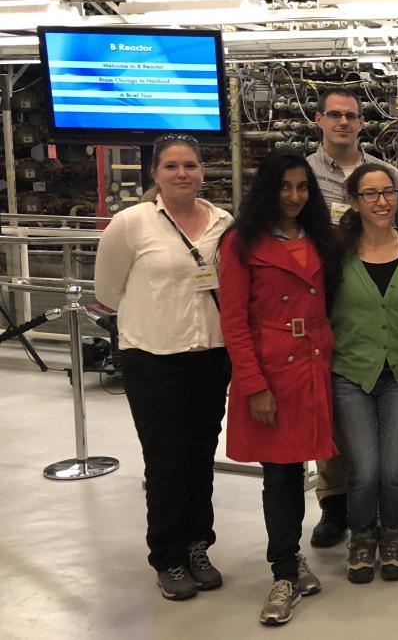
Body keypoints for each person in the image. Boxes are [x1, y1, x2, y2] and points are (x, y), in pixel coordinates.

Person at [94, 134, 233, 601]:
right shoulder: (131, 224)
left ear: (202, 171)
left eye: (190, 165)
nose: (182, 174)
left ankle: (198, 546)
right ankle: (168, 556)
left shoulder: (222, 222)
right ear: (155, 173)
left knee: (200, 456)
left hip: (211, 357)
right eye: (171, 166)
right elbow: (107, 294)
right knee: (167, 460)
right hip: (153, 359)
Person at [218, 149, 339, 624]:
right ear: (268, 188)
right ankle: (284, 570)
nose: (294, 196)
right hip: (271, 371)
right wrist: (254, 385)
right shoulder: (240, 242)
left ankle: (292, 558)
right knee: (280, 474)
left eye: (302, 187)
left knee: (302, 467)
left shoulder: (319, 236)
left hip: (313, 366)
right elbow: (234, 320)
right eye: (285, 187)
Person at [306, 87, 398, 549]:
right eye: (335, 115)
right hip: (333, 319)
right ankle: (337, 510)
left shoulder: (389, 175)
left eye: (351, 115)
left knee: (387, 464)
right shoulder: (305, 175)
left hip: (391, 336)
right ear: (319, 119)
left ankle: (386, 528)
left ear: (362, 123)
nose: (343, 123)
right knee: (340, 441)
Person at [330, 163, 398, 584]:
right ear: (354, 201)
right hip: (351, 373)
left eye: (389, 192)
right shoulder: (335, 251)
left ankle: (392, 538)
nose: (382, 202)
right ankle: (362, 536)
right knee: (364, 470)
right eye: (371, 194)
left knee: (393, 469)